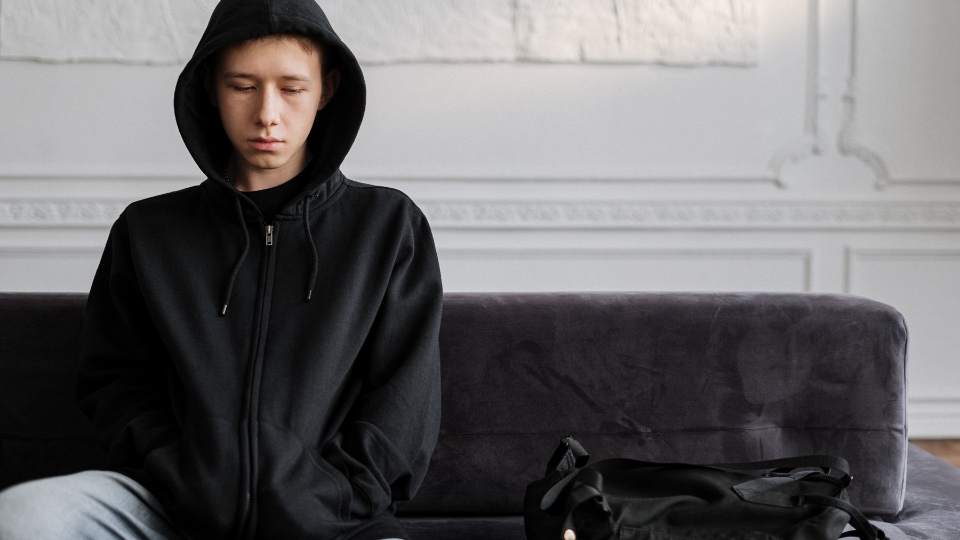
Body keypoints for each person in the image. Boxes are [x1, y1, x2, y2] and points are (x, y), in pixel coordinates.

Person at [0, 0, 442, 539]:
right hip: (171, 511)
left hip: (338, 522)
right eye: (242, 86)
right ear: (210, 86)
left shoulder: (387, 226)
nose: (267, 114)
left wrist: (338, 495)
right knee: (25, 516)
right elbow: (115, 383)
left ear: (326, 90)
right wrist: (178, 471)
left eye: (292, 88)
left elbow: (404, 399)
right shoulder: (148, 231)